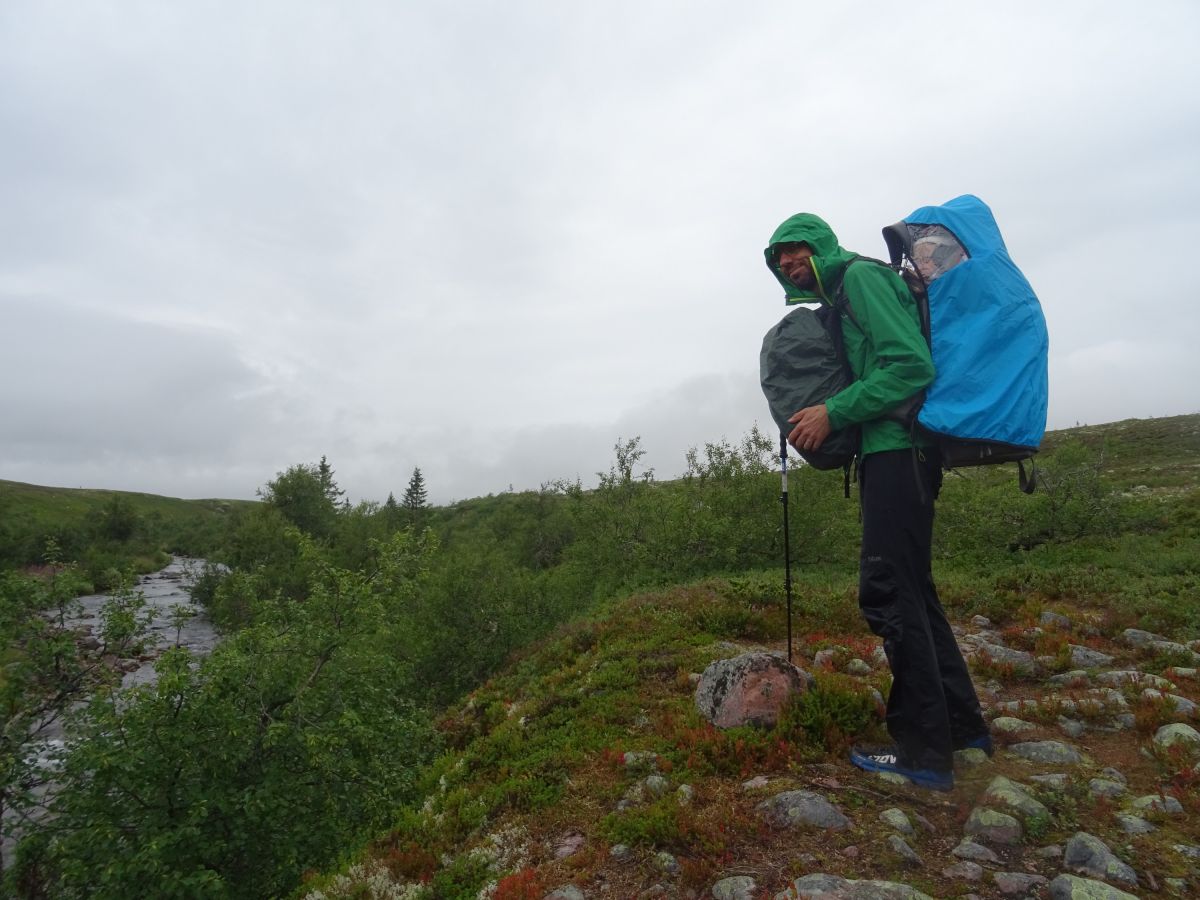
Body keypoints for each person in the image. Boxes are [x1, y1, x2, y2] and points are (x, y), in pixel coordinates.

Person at [764, 212, 991, 792]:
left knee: (888, 591)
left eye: (795, 250)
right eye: (778, 258)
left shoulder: (859, 280)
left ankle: (922, 751)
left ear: (820, 246)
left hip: (898, 453)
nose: (788, 263)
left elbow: (912, 366)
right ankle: (961, 729)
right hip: (897, 454)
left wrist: (832, 412)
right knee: (915, 591)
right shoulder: (842, 295)